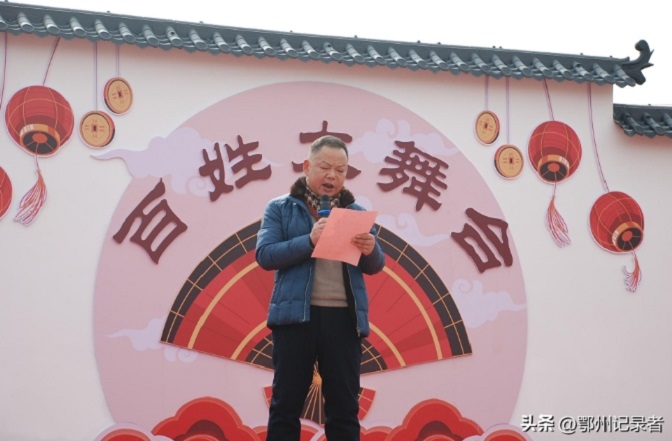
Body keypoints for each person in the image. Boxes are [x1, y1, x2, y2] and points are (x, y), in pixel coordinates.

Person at [256, 135, 385, 441]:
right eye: (325, 167)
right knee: (285, 406)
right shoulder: (280, 208)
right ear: (307, 166)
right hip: (295, 319)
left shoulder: (356, 212)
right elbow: (265, 255)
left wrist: (371, 249)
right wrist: (310, 241)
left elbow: (375, 266)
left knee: (344, 408)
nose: (332, 176)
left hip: (344, 320)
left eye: (340, 170)